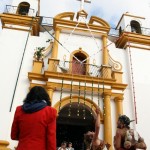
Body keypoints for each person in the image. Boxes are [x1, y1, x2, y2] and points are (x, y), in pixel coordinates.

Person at [11, 86, 57, 150]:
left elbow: (13, 135)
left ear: (29, 96)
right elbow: (51, 137)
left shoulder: (19, 110)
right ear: (45, 97)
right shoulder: (50, 111)